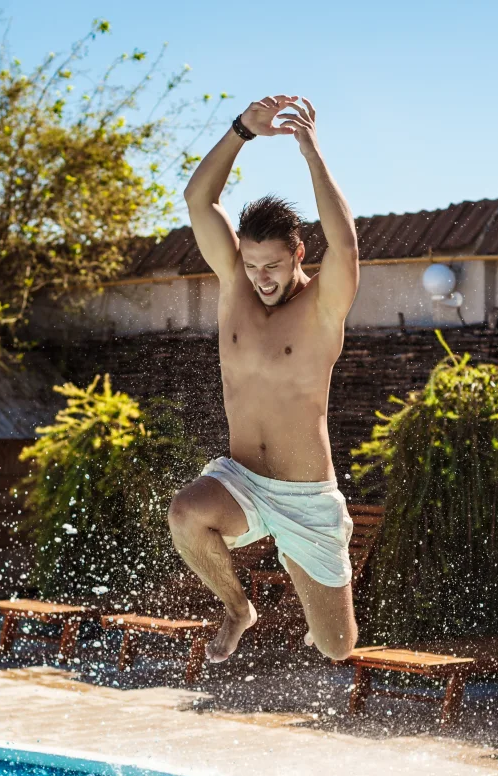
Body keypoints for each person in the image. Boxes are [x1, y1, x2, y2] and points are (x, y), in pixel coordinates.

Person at [169, 95, 361, 664]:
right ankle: (238, 609)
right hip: (242, 481)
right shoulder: (235, 283)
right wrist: (240, 131)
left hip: (305, 494)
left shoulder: (324, 306)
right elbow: (199, 199)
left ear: (298, 252)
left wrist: (310, 151)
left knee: (337, 647)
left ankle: (321, 576)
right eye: (252, 265)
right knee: (185, 513)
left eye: (272, 265)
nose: (261, 277)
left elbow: (345, 242)